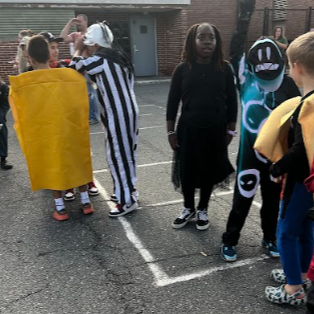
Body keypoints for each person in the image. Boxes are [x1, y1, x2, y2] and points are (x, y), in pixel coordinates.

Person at [220, 0, 301, 262]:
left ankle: (269, 238)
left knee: (271, 201)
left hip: (276, 156)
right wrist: (244, 16)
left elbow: (297, 118)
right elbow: (234, 51)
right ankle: (230, 240)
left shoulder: (287, 84)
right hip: (249, 155)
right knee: (242, 199)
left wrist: (292, 155)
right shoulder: (246, 78)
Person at [254, 31, 314, 305]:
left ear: (297, 68)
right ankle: (301, 274)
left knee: (286, 232)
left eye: (290, 65)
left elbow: (301, 151)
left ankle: (293, 290)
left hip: (300, 182)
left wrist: (278, 167)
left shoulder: (307, 107)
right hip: (310, 186)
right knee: (305, 229)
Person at [9, 35, 94, 221]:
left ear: (29, 58)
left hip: (44, 133)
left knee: (51, 164)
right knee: (77, 159)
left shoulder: (23, 83)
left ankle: (60, 208)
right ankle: (86, 201)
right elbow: (82, 98)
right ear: (49, 54)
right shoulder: (69, 76)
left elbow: (18, 112)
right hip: (70, 130)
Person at [166, 23, 237, 231]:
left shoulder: (224, 69)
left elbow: (232, 101)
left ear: (217, 42)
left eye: (211, 38)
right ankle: (188, 208)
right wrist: (171, 131)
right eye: (202, 37)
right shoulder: (182, 69)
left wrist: (231, 129)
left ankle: (203, 208)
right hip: (188, 128)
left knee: (208, 170)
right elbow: (172, 102)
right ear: (192, 41)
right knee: (187, 170)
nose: (207, 41)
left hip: (216, 129)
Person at [69, 22, 139, 217]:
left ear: (93, 44)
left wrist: (77, 49)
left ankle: (127, 200)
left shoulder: (100, 59)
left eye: (89, 45)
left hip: (117, 113)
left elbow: (73, 68)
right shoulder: (121, 57)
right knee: (127, 154)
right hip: (129, 110)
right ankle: (128, 192)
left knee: (118, 156)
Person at [38, 31, 100, 199]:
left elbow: (82, 70)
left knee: (81, 150)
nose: (56, 51)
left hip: (73, 118)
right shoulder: (36, 73)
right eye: (51, 48)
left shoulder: (66, 65)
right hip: (54, 121)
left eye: (57, 47)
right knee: (61, 153)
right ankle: (68, 184)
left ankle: (88, 180)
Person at [60, 14, 100, 125]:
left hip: (87, 66)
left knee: (90, 92)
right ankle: (85, 115)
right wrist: (70, 22)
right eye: (76, 21)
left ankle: (94, 116)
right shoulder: (75, 35)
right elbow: (63, 37)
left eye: (80, 21)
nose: (78, 24)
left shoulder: (90, 34)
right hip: (76, 66)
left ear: (86, 21)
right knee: (80, 92)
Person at [0, 77, 13, 170]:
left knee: (2, 136)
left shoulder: (3, 87)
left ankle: (3, 159)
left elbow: (5, 104)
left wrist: (1, 116)